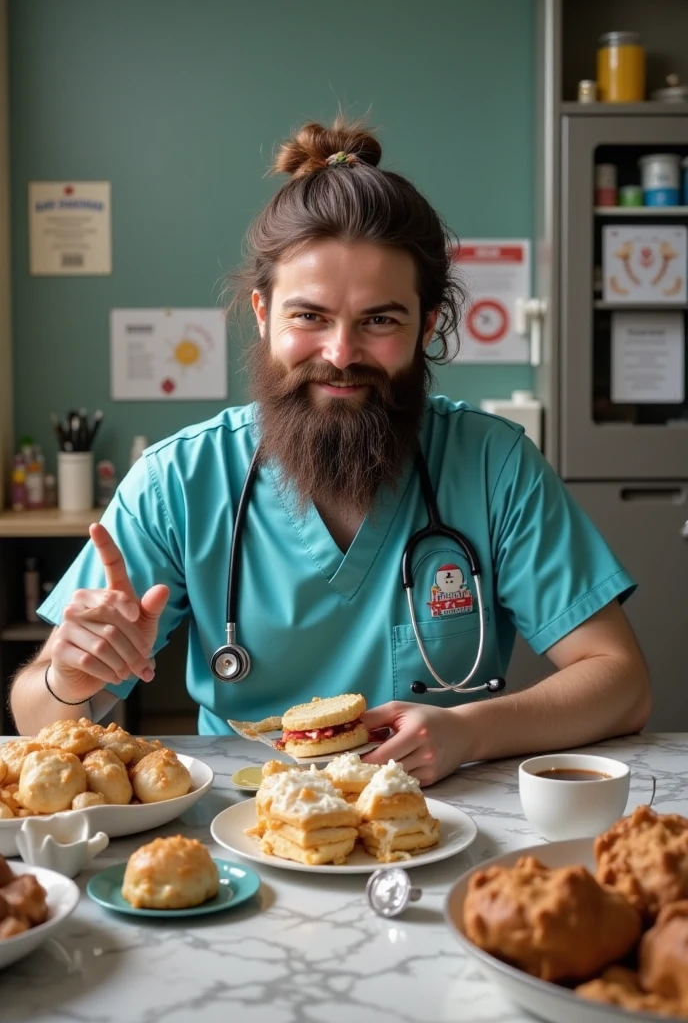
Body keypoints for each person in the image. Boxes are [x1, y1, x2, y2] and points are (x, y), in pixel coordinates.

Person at [10, 117, 651, 785]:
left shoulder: (494, 466)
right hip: (242, 830)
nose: (341, 354)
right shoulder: (178, 481)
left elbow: (621, 682)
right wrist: (68, 675)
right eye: (309, 316)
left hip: (447, 819)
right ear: (263, 314)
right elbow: (36, 718)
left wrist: (468, 730)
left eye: (379, 320)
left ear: (427, 324)